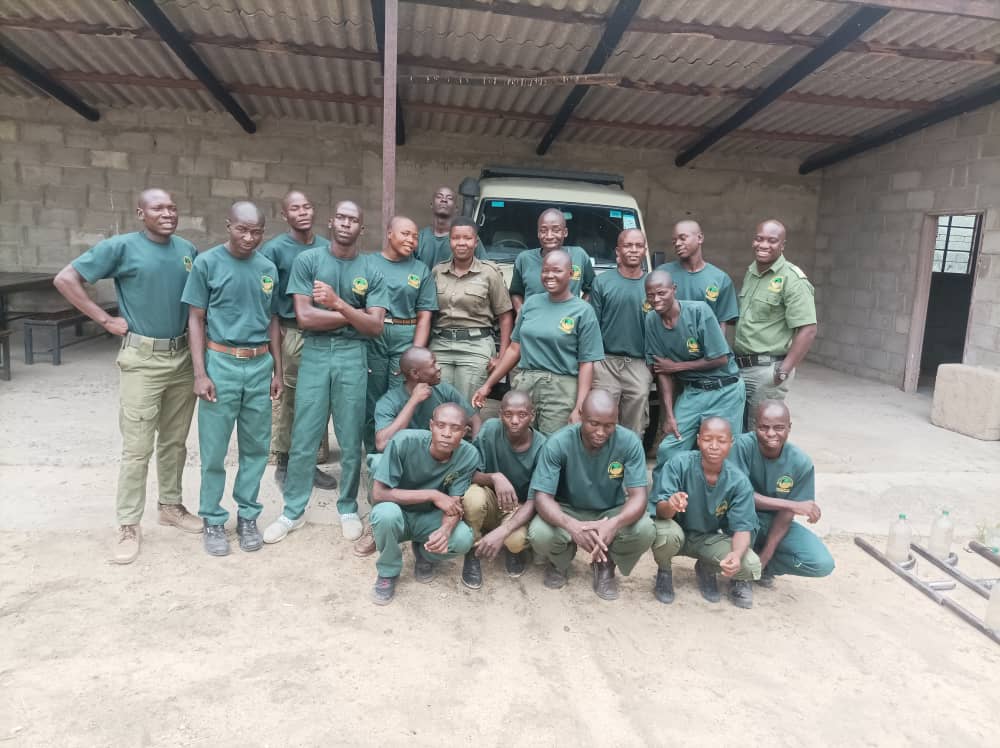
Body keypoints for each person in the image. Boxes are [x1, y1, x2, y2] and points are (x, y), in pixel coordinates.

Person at [53, 188, 200, 563]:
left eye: (172, 207)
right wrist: (103, 319)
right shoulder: (120, 248)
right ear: (140, 213)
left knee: (175, 441)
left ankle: (170, 505)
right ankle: (127, 525)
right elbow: (66, 279)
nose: (167, 213)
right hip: (143, 358)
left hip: (181, 355)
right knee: (137, 447)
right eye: (158, 208)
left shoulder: (186, 250)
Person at [262, 200, 389, 545]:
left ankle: (347, 506)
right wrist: (355, 314)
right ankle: (292, 510)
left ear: (362, 228)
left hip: (353, 354)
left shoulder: (371, 268)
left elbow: (376, 327)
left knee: (350, 436)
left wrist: (337, 304)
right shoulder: (310, 261)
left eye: (354, 220)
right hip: (315, 351)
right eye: (342, 218)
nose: (347, 224)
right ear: (332, 222)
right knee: (305, 434)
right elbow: (305, 318)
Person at [182, 201, 283, 557]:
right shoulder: (207, 263)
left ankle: (248, 515)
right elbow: (196, 318)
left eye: (257, 231)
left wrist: (277, 371)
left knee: (256, 448)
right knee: (213, 449)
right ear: (228, 225)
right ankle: (212, 518)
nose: (249, 238)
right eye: (242, 229)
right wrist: (200, 373)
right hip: (221, 362)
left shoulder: (268, 267)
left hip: (259, 364)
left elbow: (273, 321)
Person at [526, 390, 655, 600]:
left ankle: (605, 563)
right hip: (569, 508)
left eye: (609, 425)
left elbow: (639, 496)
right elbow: (542, 498)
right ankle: (561, 561)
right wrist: (571, 525)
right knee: (539, 532)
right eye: (593, 423)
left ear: (617, 421)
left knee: (645, 529)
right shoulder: (559, 442)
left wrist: (614, 523)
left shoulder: (629, 442)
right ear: (581, 416)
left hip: (609, 510)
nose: (601, 432)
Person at [473, 250, 603, 435]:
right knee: (521, 442)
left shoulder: (583, 311)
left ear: (571, 273)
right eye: (545, 270)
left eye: (557, 270)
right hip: (526, 385)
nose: (550, 275)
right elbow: (515, 349)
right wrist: (488, 385)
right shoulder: (531, 304)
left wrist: (579, 407)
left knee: (552, 446)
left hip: (561, 390)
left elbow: (587, 364)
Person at [259, 190, 337, 491]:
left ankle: (308, 462)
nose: (302, 212)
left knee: (317, 399)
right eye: (295, 208)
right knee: (289, 400)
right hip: (290, 329)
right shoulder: (274, 250)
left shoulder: (325, 247)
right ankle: (284, 462)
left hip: (323, 331)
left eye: (307, 206)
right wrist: (273, 337)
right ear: (285, 215)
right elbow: (266, 300)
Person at [369, 403, 482, 605]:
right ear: (431, 426)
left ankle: (424, 554)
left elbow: (454, 503)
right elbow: (378, 493)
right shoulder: (405, 441)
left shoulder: (468, 455)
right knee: (384, 515)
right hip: (398, 513)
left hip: (429, 517)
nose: (447, 433)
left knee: (463, 538)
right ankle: (388, 572)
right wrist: (432, 495)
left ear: (465, 432)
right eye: (441, 425)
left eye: (455, 428)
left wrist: (446, 530)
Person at [649, 417, 760, 608]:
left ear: (731, 443)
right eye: (708, 439)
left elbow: (743, 527)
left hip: (708, 539)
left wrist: (737, 554)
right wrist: (671, 505)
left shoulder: (738, 481)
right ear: (699, 440)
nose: (714, 446)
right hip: (677, 533)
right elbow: (660, 512)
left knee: (749, 564)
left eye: (721, 440)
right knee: (664, 533)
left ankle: (707, 568)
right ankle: (664, 572)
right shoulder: (679, 464)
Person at [644, 270, 745, 469]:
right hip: (693, 392)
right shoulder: (651, 321)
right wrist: (670, 416)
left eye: (661, 293)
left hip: (725, 390)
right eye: (650, 295)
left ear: (674, 290)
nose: (656, 299)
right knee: (669, 449)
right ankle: (663, 497)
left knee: (722, 453)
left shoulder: (699, 311)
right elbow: (662, 370)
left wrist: (677, 367)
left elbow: (721, 358)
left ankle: (723, 497)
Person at [729, 400, 834, 586]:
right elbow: (742, 497)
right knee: (744, 518)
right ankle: (740, 578)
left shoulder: (800, 462)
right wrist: (792, 504)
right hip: (739, 518)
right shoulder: (740, 447)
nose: (771, 434)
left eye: (778, 428)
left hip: (773, 521)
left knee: (821, 563)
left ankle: (761, 568)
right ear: (755, 426)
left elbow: (786, 516)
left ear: (789, 427)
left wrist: (765, 558)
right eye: (763, 427)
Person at [734, 219, 817, 430]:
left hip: (768, 370)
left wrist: (784, 370)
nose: (763, 245)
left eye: (772, 241)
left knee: (761, 431)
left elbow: (808, 329)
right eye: (759, 239)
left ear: (782, 245)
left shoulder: (792, 279)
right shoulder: (752, 272)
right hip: (741, 366)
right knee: (739, 429)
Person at [364, 216, 438, 453]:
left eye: (415, 236)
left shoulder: (420, 269)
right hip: (374, 333)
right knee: (371, 397)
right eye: (405, 234)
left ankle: (399, 453)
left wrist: (414, 353)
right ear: (389, 233)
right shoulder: (368, 263)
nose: (411, 240)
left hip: (406, 336)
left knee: (401, 394)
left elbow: (425, 315)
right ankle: (374, 455)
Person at [461, 390, 547, 588]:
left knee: (516, 541)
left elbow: (537, 499)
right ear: (500, 415)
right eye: (508, 415)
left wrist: (506, 529)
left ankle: (512, 550)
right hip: (490, 497)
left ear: (532, 416)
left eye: (522, 415)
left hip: (519, 506)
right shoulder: (490, 429)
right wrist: (494, 477)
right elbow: (469, 473)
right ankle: (473, 549)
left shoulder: (543, 447)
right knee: (472, 497)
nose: (515, 421)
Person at [430, 217, 513, 403]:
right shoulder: (437, 272)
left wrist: (502, 356)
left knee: (466, 408)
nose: (461, 243)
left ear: (476, 242)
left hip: (475, 347)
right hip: (440, 345)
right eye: (456, 238)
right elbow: (429, 314)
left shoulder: (489, 273)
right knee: (437, 407)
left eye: (467, 238)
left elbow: (505, 317)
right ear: (449, 241)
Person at [589, 227, 652, 437]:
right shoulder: (602, 282)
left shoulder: (653, 285)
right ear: (618, 251)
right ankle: (602, 466)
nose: (633, 250)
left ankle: (630, 466)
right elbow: (593, 327)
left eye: (638, 246)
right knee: (601, 420)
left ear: (645, 250)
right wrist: (595, 362)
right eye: (628, 245)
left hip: (639, 363)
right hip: (605, 362)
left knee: (635, 425)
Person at [373, 346, 481, 453]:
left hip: (441, 455)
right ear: (415, 373)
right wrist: (413, 401)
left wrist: (476, 452)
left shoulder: (443, 389)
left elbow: (475, 420)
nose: (438, 367)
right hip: (407, 457)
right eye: (433, 364)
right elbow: (382, 444)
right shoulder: (388, 402)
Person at [508, 208, 596, 312]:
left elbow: (592, 289)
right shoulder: (524, 259)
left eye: (556, 230)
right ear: (538, 233)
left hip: (567, 325)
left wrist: (579, 311)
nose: (549, 236)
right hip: (534, 323)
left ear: (565, 232)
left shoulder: (579, 256)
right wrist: (520, 312)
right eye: (543, 231)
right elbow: (516, 293)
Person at [657, 220, 738, 330]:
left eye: (683, 238)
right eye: (674, 241)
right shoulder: (662, 274)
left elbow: (721, 325)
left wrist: (718, 347)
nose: (677, 243)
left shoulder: (720, 279)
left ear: (700, 238)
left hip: (705, 346)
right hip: (669, 345)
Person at [415, 186, 487, 267]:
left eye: (449, 198)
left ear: (456, 208)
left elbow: (485, 268)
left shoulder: (468, 238)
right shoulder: (419, 237)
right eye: (439, 197)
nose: (444, 200)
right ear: (431, 204)